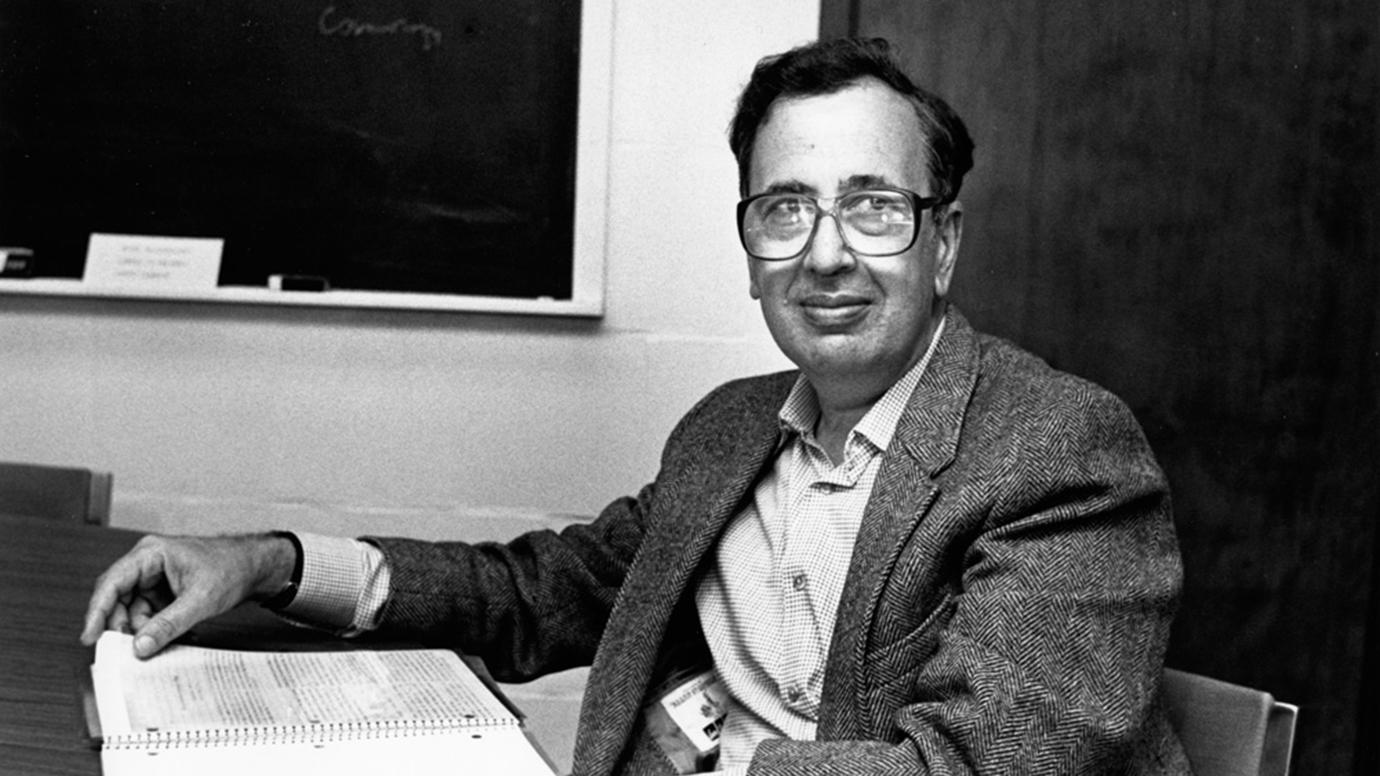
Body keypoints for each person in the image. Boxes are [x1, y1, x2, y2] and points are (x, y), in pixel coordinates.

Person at [81, 37, 1190, 775]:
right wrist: (270, 562)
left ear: (943, 241)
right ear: (749, 245)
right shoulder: (727, 428)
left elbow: (972, 768)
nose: (827, 255)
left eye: (874, 207)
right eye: (785, 208)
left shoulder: (1062, 451)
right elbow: (537, 593)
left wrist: (702, 754)